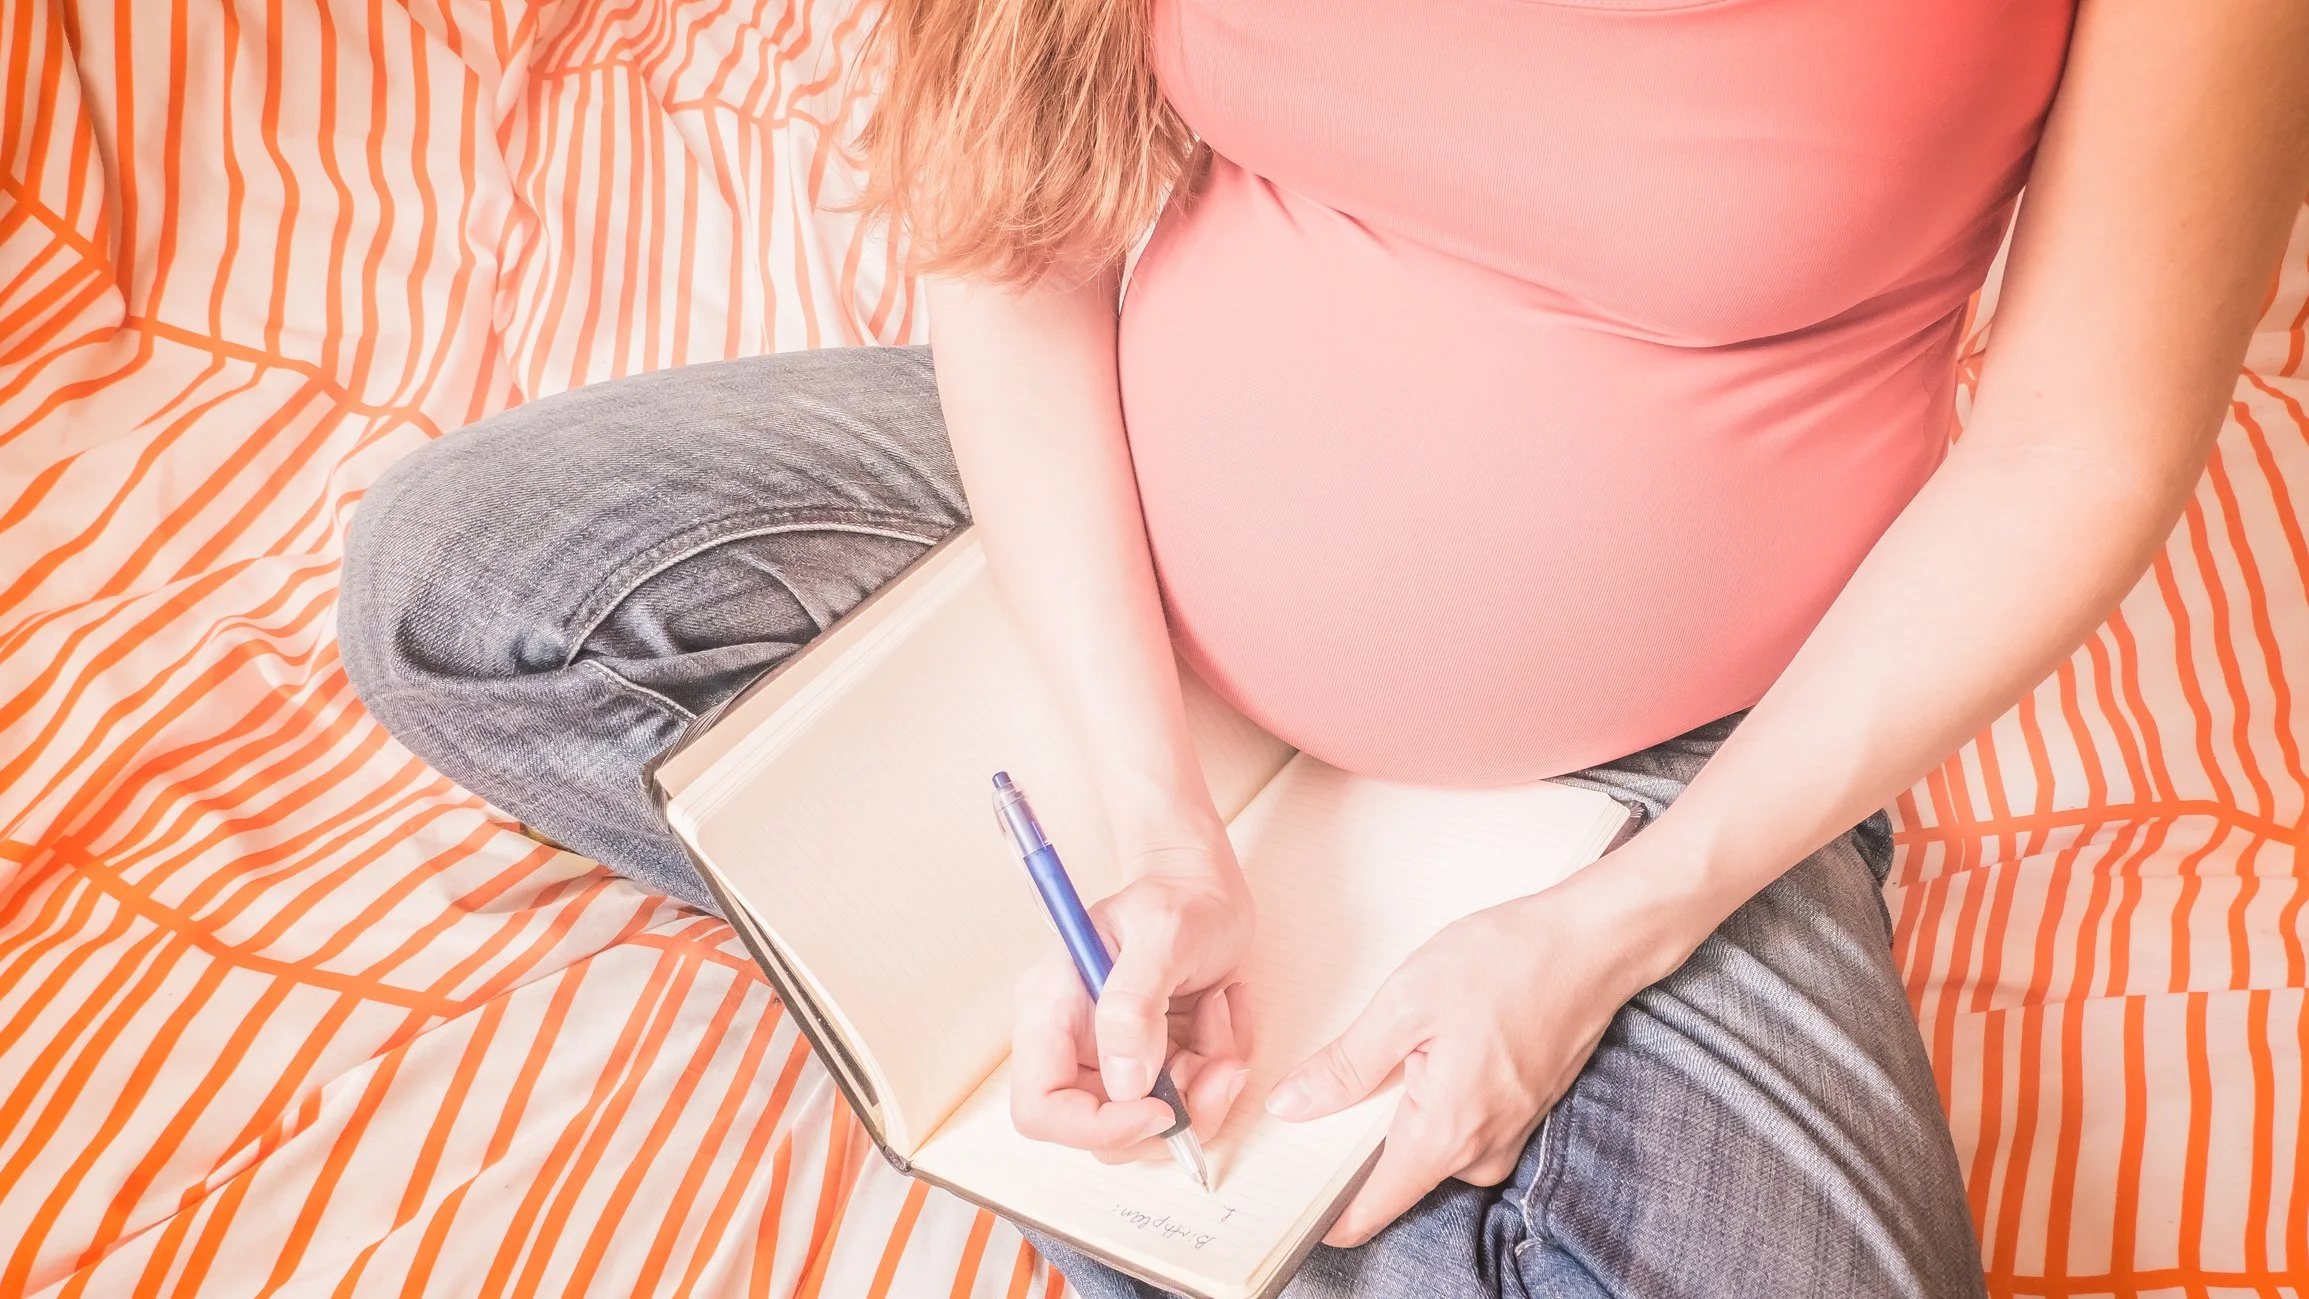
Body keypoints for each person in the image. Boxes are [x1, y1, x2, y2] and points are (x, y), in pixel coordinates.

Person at [335, 0, 2309, 1293]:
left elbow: (2079, 442)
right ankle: (1217, 1024)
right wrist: (1145, 803)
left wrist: (1612, 933)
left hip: (1662, 780)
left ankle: (1369, 1100)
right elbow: (1002, 212)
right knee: (463, 587)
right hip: (1089, 555)